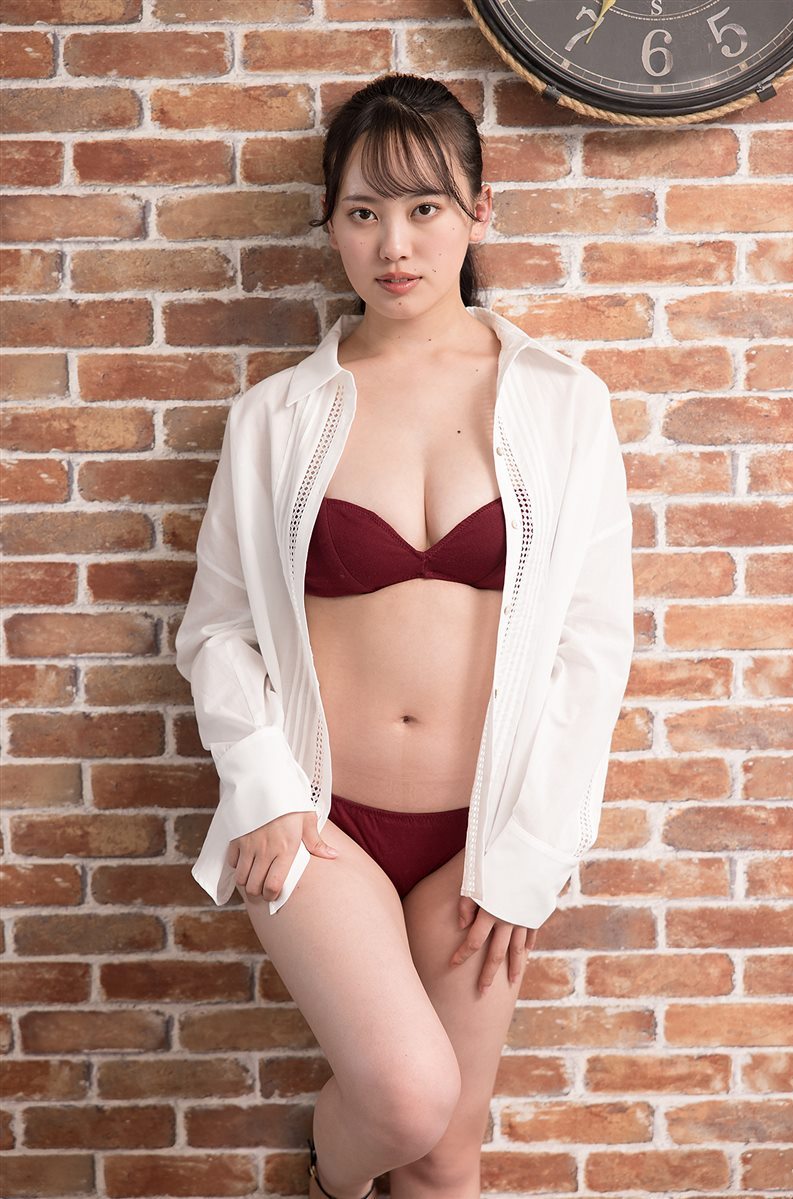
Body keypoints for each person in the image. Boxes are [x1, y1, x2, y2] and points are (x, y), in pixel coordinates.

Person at [175, 72, 635, 1199]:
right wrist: (263, 784)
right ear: (329, 225)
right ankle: (327, 1183)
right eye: (363, 211)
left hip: (483, 829)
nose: (394, 244)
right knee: (402, 1097)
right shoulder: (275, 417)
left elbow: (591, 646)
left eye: (425, 207)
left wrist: (531, 852)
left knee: (443, 1159)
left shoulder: (561, 404)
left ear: (479, 209)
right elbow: (218, 628)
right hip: (318, 820)